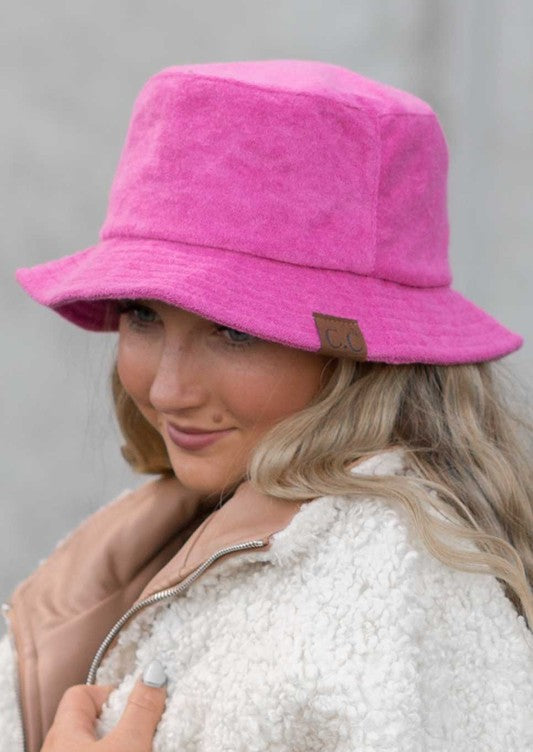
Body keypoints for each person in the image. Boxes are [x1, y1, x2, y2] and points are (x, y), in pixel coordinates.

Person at [2, 59, 532, 752]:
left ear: (362, 356)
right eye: (143, 314)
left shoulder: (385, 589)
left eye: (234, 331)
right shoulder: (176, 526)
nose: (166, 390)